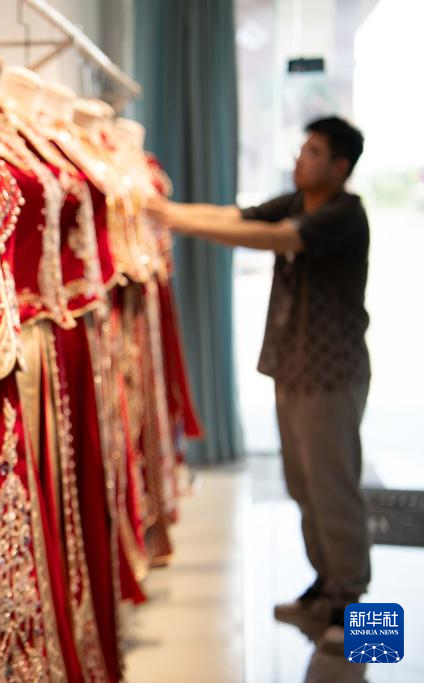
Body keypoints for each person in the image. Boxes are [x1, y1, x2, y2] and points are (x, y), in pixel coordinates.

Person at [148, 116, 370, 652]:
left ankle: (360, 617)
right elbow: (235, 214)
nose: (300, 159)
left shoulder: (344, 214)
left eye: (313, 152)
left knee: (334, 489)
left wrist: (172, 219)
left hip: (332, 376)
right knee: (303, 486)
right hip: (294, 370)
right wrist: (165, 210)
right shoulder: (299, 201)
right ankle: (326, 590)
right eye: (302, 149)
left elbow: (272, 237)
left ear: (339, 167)